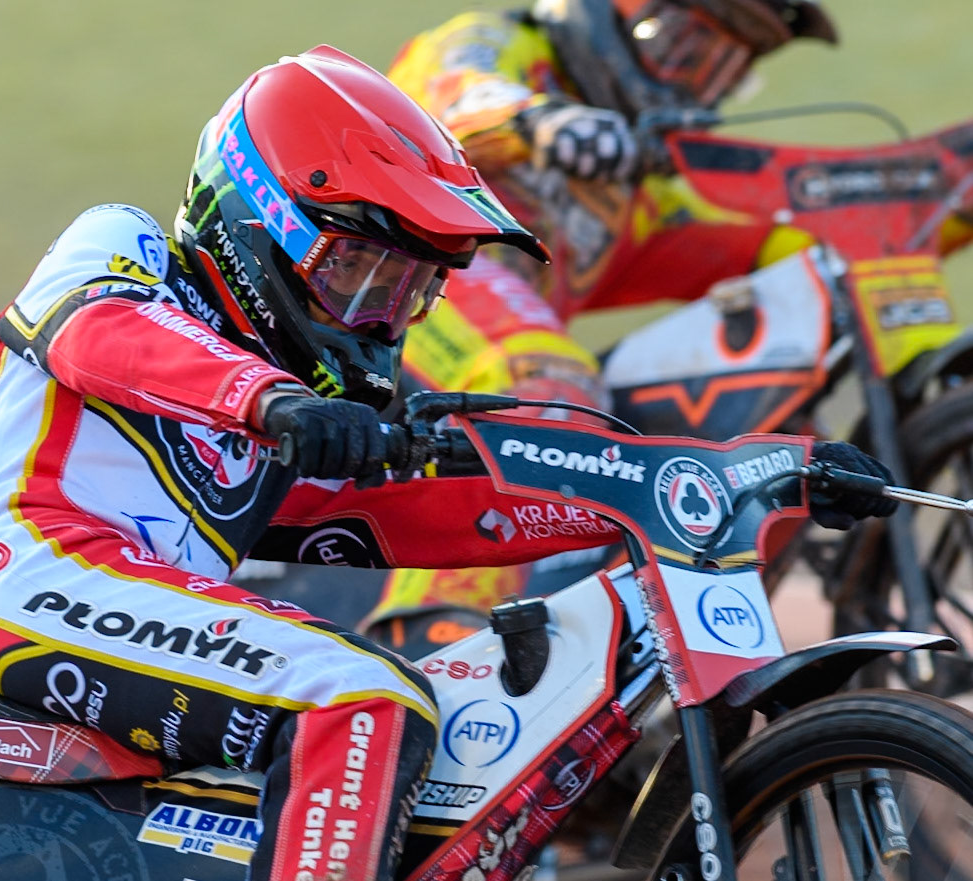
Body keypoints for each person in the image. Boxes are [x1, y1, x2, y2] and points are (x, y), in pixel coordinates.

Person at [0, 44, 893, 881]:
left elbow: (411, 512)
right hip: (30, 576)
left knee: (411, 723)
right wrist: (272, 403)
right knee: (361, 698)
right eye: (360, 271)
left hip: (134, 603)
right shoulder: (125, 247)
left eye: (409, 287)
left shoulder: (296, 400)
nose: (380, 316)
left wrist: (710, 478)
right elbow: (95, 334)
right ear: (256, 219)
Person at [363, 0, 847, 652]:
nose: (689, 79)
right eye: (680, 42)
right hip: (400, 289)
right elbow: (456, 93)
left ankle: (641, 649)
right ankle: (431, 626)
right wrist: (541, 122)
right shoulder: (498, 39)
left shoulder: (640, 197)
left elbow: (780, 245)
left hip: (447, 357)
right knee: (545, 378)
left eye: (719, 69)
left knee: (773, 448)